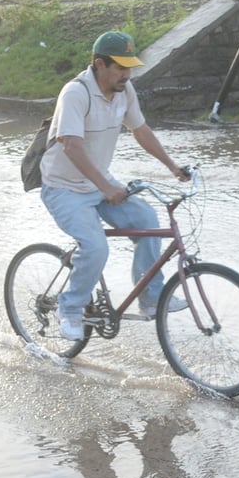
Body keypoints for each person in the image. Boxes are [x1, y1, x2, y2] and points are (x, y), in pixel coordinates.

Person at [39, 30, 189, 340]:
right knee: (96, 247)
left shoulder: (125, 91)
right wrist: (105, 188)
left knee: (146, 219)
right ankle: (70, 310)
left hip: (97, 180)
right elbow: (71, 145)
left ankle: (150, 298)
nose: (127, 74)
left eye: (129, 67)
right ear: (99, 64)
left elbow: (141, 129)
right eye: (120, 68)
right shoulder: (75, 93)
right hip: (64, 187)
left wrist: (172, 166)